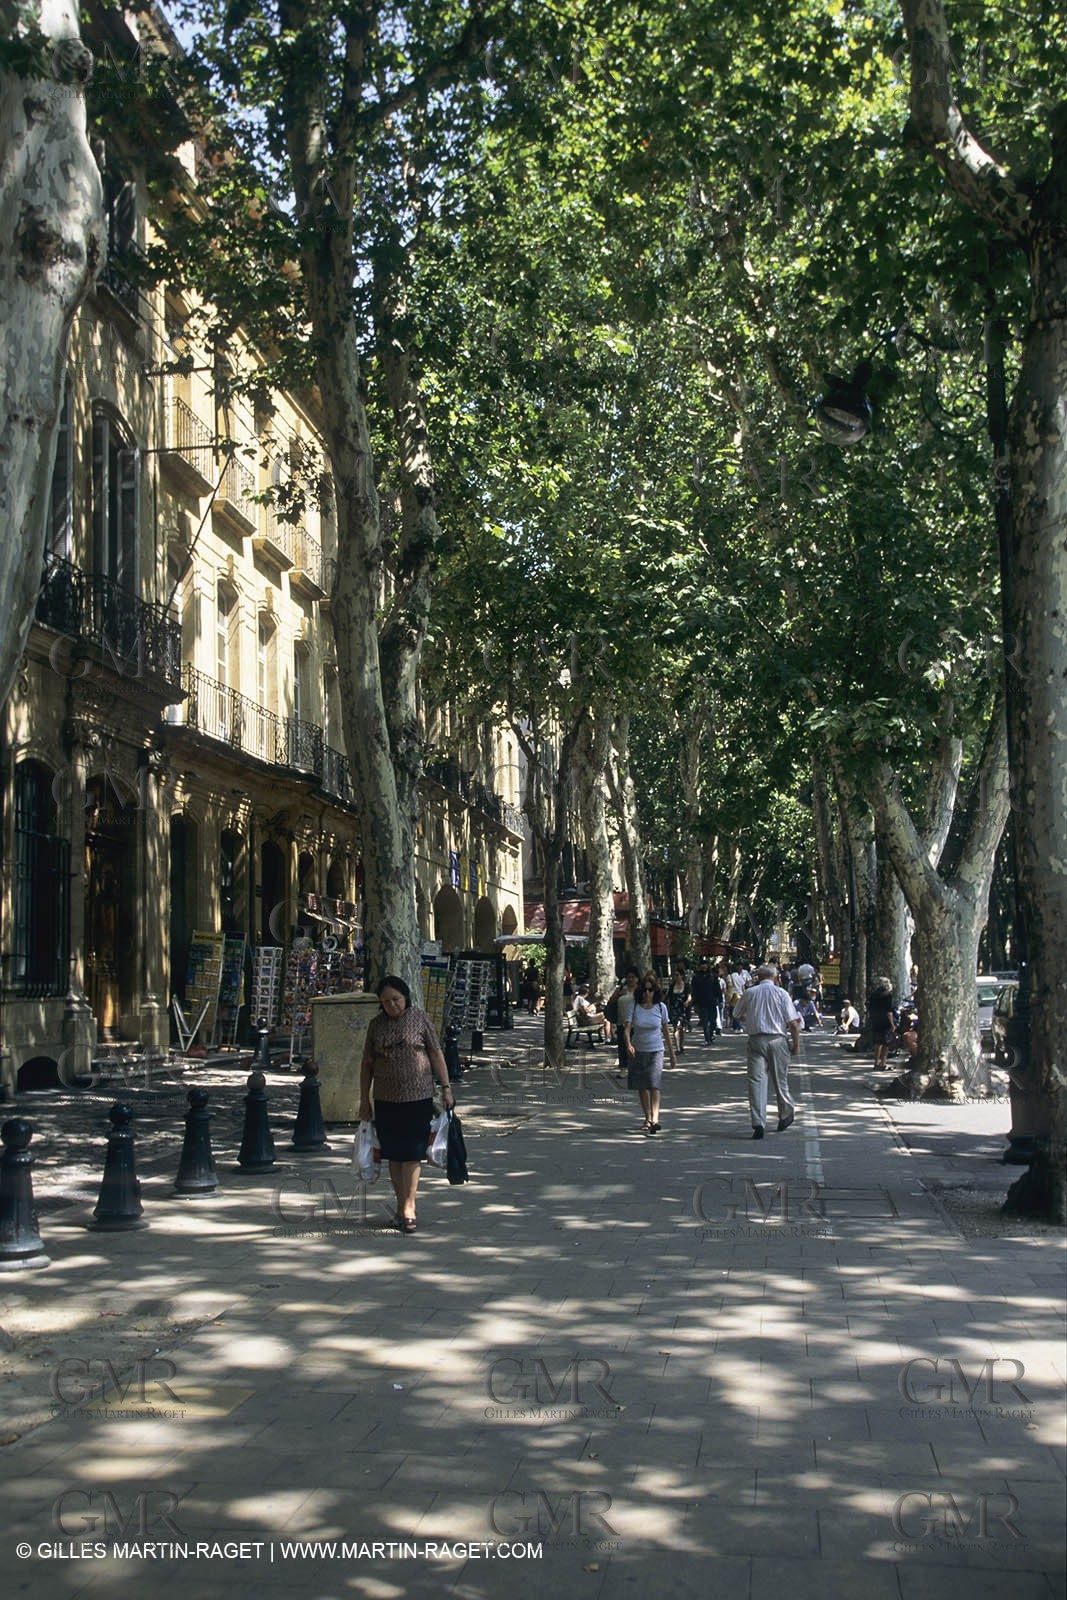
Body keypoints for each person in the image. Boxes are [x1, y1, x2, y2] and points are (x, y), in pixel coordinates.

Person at [359, 975, 454, 1233]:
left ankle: (409, 1207)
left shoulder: (420, 1019)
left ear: (406, 998)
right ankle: (401, 1207)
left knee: (412, 1153)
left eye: (396, 1000)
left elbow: (435, 1053)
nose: (393, 1006)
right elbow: (367, 1064)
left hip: (418, 1096)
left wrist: (446, 1088)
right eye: (386, 1002)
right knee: (394, 1154)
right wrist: (363, 1101)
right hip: (385, 1098)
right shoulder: (376, 1026)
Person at [732, 963, 800, 1140]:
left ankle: (758, 1122)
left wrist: (750, 1019)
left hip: (755, 1040)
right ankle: (785, 1113)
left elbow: (736, 1014)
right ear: (775, 977)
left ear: (758, 977)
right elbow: (793, 1023)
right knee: (780, 1081)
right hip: (777, 1040)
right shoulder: (782, 994)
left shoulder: (750, 993)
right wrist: (796, 1045)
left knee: (756, 1082)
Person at [622, 975, 676, 1134]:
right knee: (642, 1086)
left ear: (655, 991)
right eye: (644, 990)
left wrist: (672, 1054)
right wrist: (628, 1044)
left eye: (650, 990)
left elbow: (666, 1031)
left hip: (656, 1050)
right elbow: (626, 1028)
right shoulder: (634, 1006)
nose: (647, 993)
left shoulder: (661, 1007)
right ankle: (647, 1117)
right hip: (638, 1049)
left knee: (654, 1084)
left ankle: (655, 1119)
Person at [868, 977, 898, 1071]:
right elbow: (889, 1012)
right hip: (885, 1021)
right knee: (886, 1043)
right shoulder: (887, 995)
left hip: (875, 1020)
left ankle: (876, 1062)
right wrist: (892, 1024)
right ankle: (883, 1063)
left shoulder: (873, 995)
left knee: (877, 1042)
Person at [690, 958, 721, 1045]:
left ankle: (710, 1035)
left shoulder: (713, 976)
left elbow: (717, 989)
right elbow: (694, 991)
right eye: (702, 965)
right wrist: (695, 1003)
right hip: (701, 1002)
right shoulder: (696, 978)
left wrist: (720, 1000)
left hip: (712, 1001)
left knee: (713, 1021)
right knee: (705, 1021)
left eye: (705, 965)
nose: (703, 967)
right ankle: (707, 1039)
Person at [665, 966, 690, 1054]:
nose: (675, 977)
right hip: (674, 1009)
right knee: (676, 1027)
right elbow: (668, 998)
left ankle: (681, 1044)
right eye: (674, 975)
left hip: (682, 1009)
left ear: (681, 976)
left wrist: (687, 1001)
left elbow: (690, 995)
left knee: (681, 1028)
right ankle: (678, 1048)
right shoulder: (671, 987)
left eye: (677, 975)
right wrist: (667, 1009)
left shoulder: (686, 985)